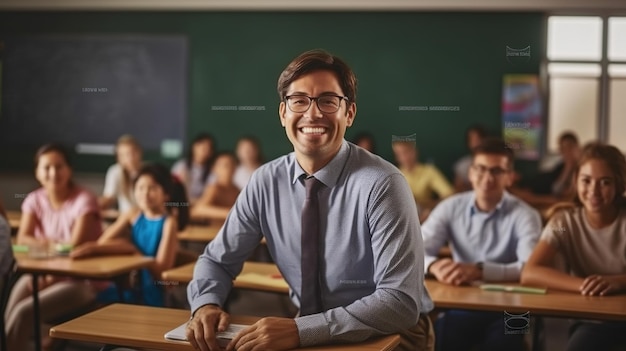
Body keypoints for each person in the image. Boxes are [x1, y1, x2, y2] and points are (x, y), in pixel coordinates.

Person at [186, 49, 434, 351]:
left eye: (328, 101)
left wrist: (303, 330)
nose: (313, 114)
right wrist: (205, 305)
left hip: (392, 333)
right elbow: (216, 261)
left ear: (350, 113)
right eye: (299, 101)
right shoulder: (265, 181)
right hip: (309, 326)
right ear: (283, 114)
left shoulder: (383, 184)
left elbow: (399, 302)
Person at [422, 137, 542, 351]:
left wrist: (480, 271)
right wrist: (433, 266)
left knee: (507, 342)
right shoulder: (450, 207)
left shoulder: (526, 215)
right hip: (461, 303)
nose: (487, 178)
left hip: (513, 307)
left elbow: (529, 268)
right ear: (470, 172)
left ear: (510, 177)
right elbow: (413, 251)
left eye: (497, 171)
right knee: (443, 337)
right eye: (480, 169)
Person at [522, 142, 626, 351]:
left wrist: (618, 282)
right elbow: (530, 272)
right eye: (586, 181)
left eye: (605, 182)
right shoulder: (564, 225)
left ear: (619, 185)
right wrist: (584, 285)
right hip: (592, 321)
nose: (594, 191)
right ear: (575, 182)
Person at [5, 143, 103, 351]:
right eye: (46, 167)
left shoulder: (84, 200)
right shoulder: (34, 199)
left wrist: (45, 251)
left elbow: (73, 248)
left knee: (24, 313)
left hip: (82, 281)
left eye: (59, 167)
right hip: (41, 274)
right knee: (9, 311)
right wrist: (54, 248)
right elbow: (23, 238)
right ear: (37, 172)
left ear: (69, 170)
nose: (53, 173)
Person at [71, 163, 189, 307]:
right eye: (140, 188)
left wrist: (134, 252)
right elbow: (102, 243)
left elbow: (161, 272)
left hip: (152, 291)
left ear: (166, 194)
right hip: (129, 286)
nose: (145, 193)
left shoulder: (169, 223)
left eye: (152, 188)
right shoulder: (133, 214)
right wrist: (126, 248)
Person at [392, 138, 454, 212]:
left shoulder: (429, 171)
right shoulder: (394, 175)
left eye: (406, 152)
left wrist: (427, 206)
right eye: (399, 154)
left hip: (426, 215)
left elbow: (450, 195)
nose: (404, 157)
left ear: (414, 152)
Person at [190, 152, 240, 223]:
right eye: (225, 166)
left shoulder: (237, 190)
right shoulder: (214, 188)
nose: (230, 169)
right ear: (215, 169)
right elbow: (198, 210)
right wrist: (229, 213)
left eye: (232, 165)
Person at [100, 135, 143, 213]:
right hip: (125, 217)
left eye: (133, 153)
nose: (130, 158)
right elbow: (109, 198)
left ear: (140, 152)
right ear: (118, 158)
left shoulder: (149, 172)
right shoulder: (115, 171)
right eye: (125, 155)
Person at [172, 133, 216, 204]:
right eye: (202, 146)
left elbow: (208, 198)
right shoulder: (181, 166)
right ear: (194, 147)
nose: (204, 150)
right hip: (180, 203)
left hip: (201, 205)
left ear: (211, 152)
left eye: (208, 148)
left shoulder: (212, 171)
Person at [453, 124, 487, 192]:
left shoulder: (495, 162)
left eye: (478, 139)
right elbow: (457, 189)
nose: (475, 143)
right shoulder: (462, 165)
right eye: (472, 140)